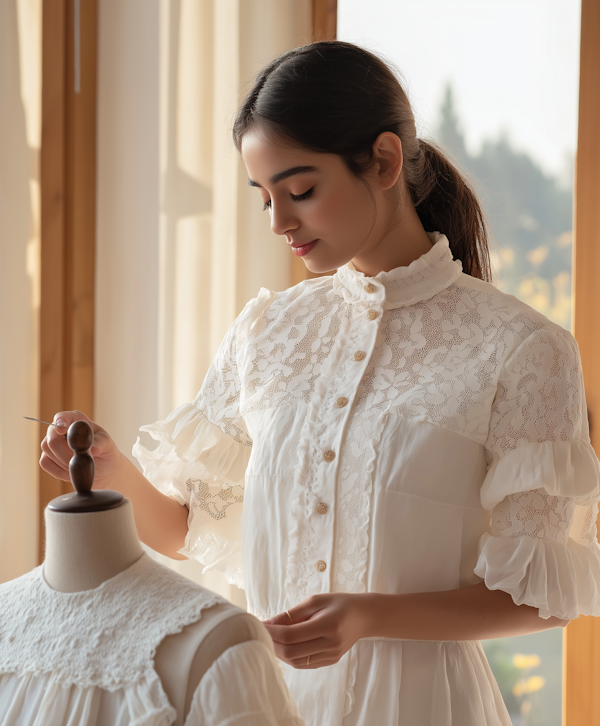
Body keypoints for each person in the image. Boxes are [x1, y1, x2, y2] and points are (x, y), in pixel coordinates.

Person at [41, 41, 600, 726]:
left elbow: (539, 597)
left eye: (300, 190)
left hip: (423, 708)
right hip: (261, 704)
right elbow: (192, 530)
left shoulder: (522, 349)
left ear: (385, 161)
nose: (280, 222)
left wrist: (369, 616)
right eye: (265, 196)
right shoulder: (267, 332)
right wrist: (111, 467)